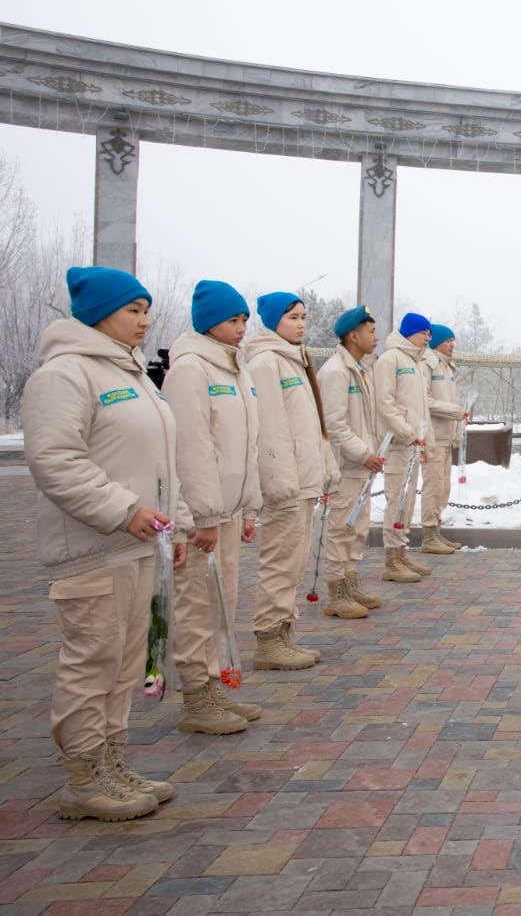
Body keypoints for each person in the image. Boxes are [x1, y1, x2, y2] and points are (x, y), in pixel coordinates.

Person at [23, 266, 191, 821]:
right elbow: (55, 461)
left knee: (124, 664)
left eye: (146, 310)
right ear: (99, 313)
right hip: (95, 546)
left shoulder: (135, 374)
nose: (144, 321)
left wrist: (175, 526)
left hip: (141, 544)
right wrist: (123, 510)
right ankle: (83, 777)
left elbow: (162, 462)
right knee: (92, 662)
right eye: (132, 310)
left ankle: (112, 764)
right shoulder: (65, 375)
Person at [165, 280, 263, 734]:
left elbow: (247, 446)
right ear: (208, 323)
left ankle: (215, 685)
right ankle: (196, 696)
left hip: (228, 509)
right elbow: (192, 447)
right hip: (202, 515)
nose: (241, 328)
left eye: (244, 320)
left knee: (221, 604)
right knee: (197, 605)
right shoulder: (190, 369)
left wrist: (247, 507)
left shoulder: (236, 370)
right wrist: (202, 515)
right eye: (232, 320)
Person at [242, 292, 334, 670]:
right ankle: (268, 639)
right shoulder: (266, 362)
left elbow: (311, 424)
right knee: (280, 561)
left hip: (303, 480)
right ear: (272, 320)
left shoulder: (294, 359)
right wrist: (281, 483)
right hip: (287, 484)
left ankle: (283, 632)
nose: (301, 324)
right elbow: (271, 431)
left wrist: (323, 467)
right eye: (292, 317)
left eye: (303, 317)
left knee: (295, 562)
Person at [316, 305, 387, 615]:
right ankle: (336, 593)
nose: (376, 337)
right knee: (341, 528)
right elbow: (334, 425)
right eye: (370, 331)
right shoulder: (336, 372)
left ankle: (350, 582)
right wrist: (363, 452)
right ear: (352, 336)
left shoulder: (360, 369)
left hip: (361, 465)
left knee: (356, 527)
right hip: (345, 465)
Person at [374, 312, 434, 581]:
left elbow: (421, 408)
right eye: (423, 333)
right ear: (409, 332)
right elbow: (385, 403)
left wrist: (424, 439)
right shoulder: (391, 359)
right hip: (398, 442)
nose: (427, 338)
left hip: (413, 443)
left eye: (429, 334)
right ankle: (391, 560)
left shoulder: (417, 363)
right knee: (396, 500)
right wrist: (405, 432)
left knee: (407, 503)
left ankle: (401, 552)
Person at [422, 324, 467, 556]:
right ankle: (428, 535)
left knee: (443, 487)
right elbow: (425, 401)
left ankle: (436, 530)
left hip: (446, 437)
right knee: (433, 486)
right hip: (434, 437)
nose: (452, 344)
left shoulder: (448, 367)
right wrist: (454, 411)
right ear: (437, 341)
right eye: (448, 340)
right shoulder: (427, 363)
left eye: (453, 340)